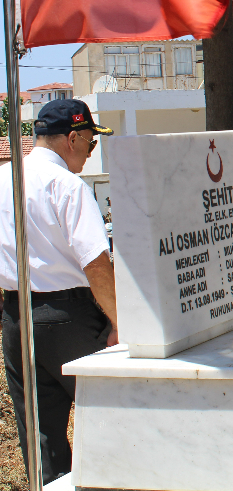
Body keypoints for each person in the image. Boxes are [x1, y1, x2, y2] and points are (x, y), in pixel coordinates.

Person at [0, 99, 117, 484]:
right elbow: (96, 265)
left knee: (40, 438)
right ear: (72, 139)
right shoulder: (67, 186)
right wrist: (121, 323)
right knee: (110, 419)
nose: (90, 152)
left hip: (16, 318)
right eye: (91, 142)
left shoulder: (3, 179)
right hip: (70, 320)